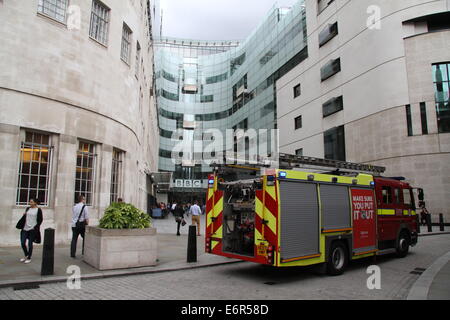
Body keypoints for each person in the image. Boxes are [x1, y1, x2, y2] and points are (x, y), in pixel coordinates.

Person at [19, 198, 43, 264]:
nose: (30, 203)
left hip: (32, 229)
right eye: (30, 202)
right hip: (25, 228)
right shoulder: (27, 208)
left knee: (30, 244)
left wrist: (35, 227)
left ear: (35, 203)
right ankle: (26, 255)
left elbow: (40, 220)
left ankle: (29, 257)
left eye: (31, 202)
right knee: (23, 242)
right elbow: (25, 217)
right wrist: (24, 215)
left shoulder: (38, 210)